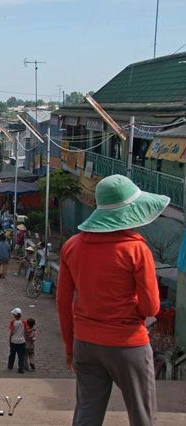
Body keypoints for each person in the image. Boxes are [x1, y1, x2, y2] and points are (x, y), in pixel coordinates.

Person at [57, 175, 167, 426]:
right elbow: (151, 308)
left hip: (85, 344)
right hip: (129, 344)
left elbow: (63, 303)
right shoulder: (137, 249)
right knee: (142, 416)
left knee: (86, 415)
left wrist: (69, 347)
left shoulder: (72, 246)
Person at [8, 308, 27, 374]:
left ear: (14, 315)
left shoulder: (13, 322)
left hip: (14, 341)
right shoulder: (24, 322)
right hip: (22, 341)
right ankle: (21, 368)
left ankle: (10, 366)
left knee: (12, 355)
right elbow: (26, 331)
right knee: (21, 356)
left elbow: (12, 332)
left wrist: (9, 339)